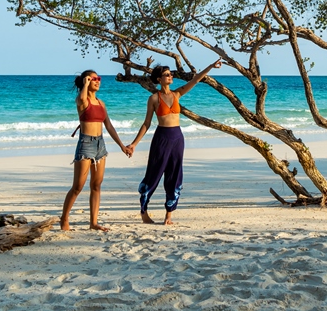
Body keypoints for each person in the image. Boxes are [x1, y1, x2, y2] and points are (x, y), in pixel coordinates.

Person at [126, 58, 222, 225]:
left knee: (174, 175)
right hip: (162, 138)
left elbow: (196, 79)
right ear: (159, 79)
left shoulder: (177, 94)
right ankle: (144, 211)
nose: (170, 77)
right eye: (167, 75)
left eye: (170, 74)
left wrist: (210, 66)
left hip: (177, 138)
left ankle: (168, 215)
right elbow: (146, 123)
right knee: (154, 174)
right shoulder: (154, 99)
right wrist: (134, 144)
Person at [61, 70, 131, 231]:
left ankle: (93, 223)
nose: (98, 81)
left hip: (100, 145)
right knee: (78, 186)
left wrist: (122, 146)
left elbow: (109, 126)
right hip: (86, 143)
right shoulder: (82, 101)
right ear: (86, 81)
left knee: (96, 185)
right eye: (94, 79)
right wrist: (85, 84)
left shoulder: (101, 103)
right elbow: (81, 98)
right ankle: (64, 218)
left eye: (98, 79)